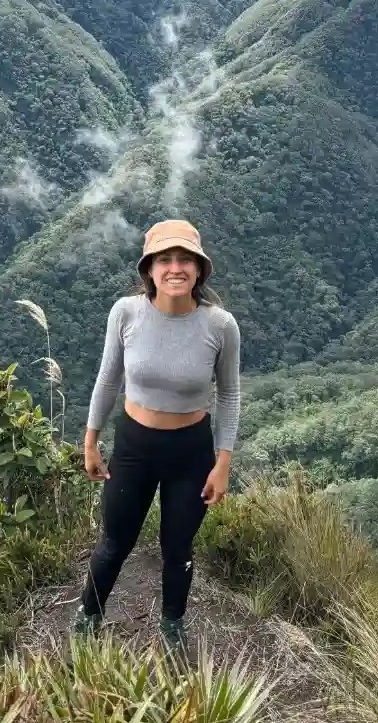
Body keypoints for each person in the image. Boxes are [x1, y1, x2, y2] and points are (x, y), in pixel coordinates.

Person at [73, 218, 241, 653]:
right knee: (115, 541)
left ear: (199, 270)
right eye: (164, 259)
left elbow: (229, 395)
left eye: (185, 259)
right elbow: (108, 379)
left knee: (178, 545)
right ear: (149, 269)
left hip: (191, 451)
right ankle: (89, 615)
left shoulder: (220, 326)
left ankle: (172, 625)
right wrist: (90, 441)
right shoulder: (126, 313)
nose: (175, 268)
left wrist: (223, 462)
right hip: (134, 446)